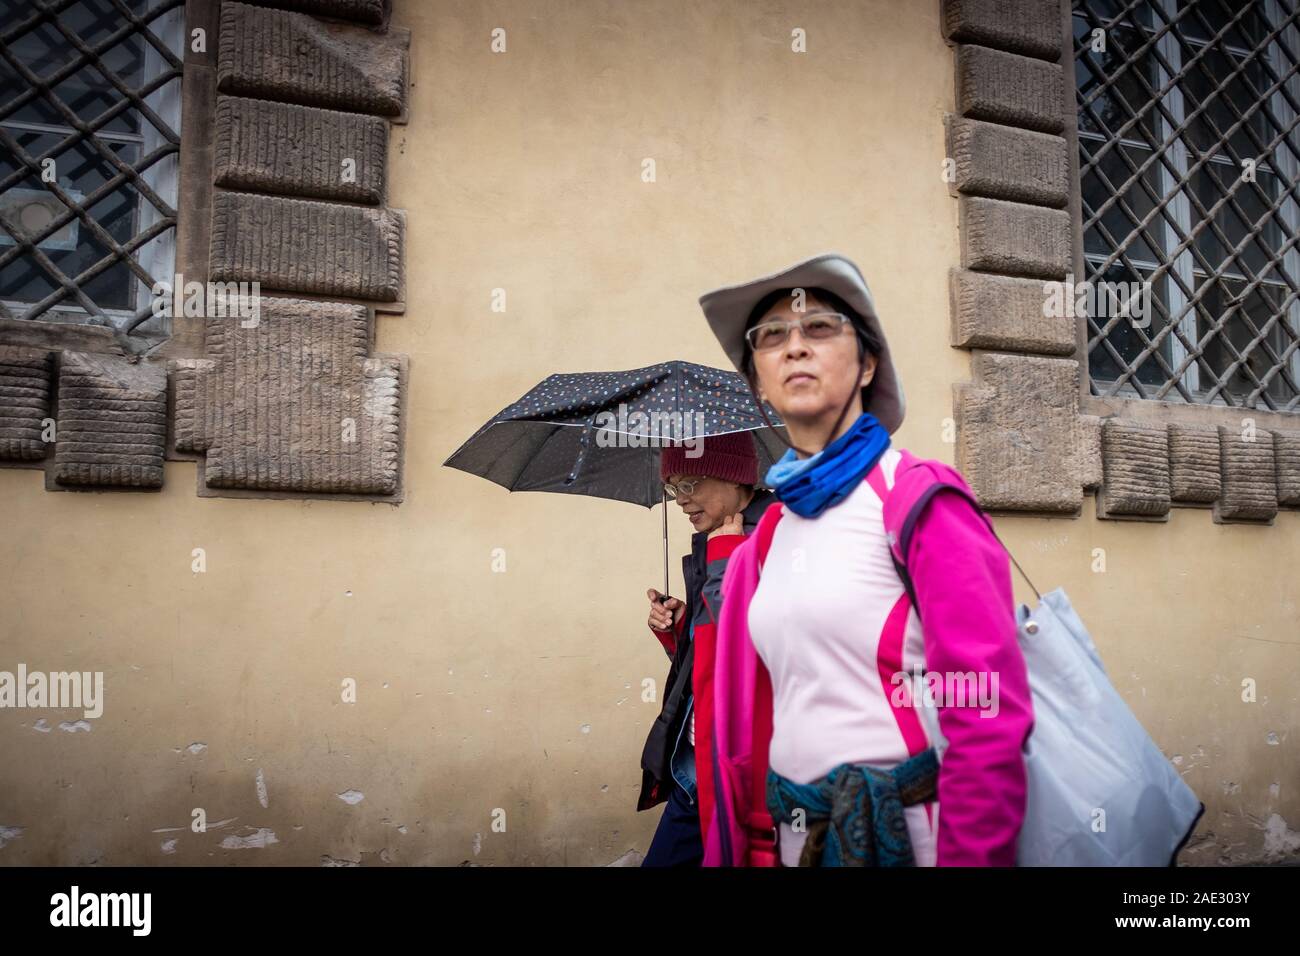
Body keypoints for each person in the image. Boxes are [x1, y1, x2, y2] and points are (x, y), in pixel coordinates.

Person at [695, 252, 1035, 867]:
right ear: (757, 381)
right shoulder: (767, 538)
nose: (795, 347)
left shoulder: (919, 501)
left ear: (868, 363)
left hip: (918, 844)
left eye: (820, 327)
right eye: (771, 336)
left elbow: (985, 711)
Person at [637, 433, 775, 866]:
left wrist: (725, 560)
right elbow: (711, 658)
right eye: (673, 486)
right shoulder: (719, 538)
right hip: (696, 762)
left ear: (733, 476)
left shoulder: (779, 536)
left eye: (690, 483)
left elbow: (754, 650)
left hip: (745, 770)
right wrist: (678, 632)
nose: (680, 499)